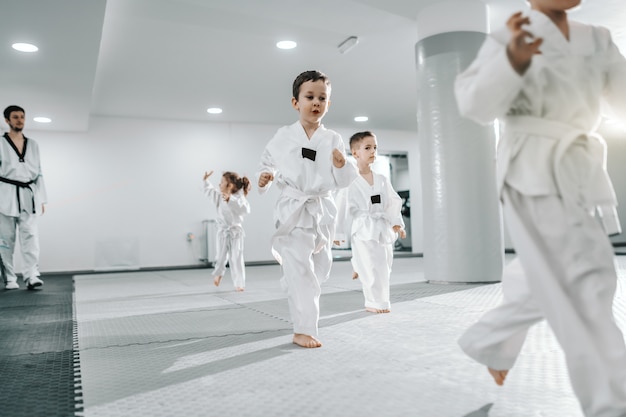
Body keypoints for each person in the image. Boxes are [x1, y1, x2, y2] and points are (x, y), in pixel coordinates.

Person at [454, 1, 626, 415]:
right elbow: (474, 105)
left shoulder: (598, 38)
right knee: (587, 283)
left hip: (578, 169)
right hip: (531, 167)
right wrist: (512, 59)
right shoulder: (509, 34)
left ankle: (490, 341)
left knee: (545, 273)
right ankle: (611, 404)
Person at [257, 70, 357, 348]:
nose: (316, 103)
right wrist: (265, 175)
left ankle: (294, 283)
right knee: (302, 271)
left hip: (321, 209)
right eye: (309, 97)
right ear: (295, 102)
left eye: (322, 98)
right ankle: (304, 328)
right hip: (294, 208)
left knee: (320, 269)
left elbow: (345, 179)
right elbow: (268, 161)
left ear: (329, 104)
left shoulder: (333, 138)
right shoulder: (284, 136)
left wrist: (341, 165)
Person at [335, 131, 405, 314]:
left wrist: (396, 223)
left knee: (384, 266)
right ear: (355, 152)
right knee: (372, 268)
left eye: (375, 147)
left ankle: (358, 265)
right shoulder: (349, 181)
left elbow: (393, 202)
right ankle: (374, 302)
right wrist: (337, 235)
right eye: (368, 148)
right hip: (364, 229)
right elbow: (340, 207)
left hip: (382, 228)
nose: (373, 151)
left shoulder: (382, 180)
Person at [0, 105, 47, 290]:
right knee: (5, 240)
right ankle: (10, 278)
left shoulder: (33, 144)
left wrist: (41, 198)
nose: (20, 120)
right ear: (7, 120)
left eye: (22, 117)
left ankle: (32, 275)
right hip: (5, 194)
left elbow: (39, 173)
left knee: (31, 238)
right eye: (15, 117)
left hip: (29, 195)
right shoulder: (1, 143)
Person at [203, 170, 251, 292]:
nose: (219, 185)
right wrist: (206, 181)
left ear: (230, 185)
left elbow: (244, 210)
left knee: (237, 258)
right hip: (223, 232)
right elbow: (209, 191)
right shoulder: (219, 196)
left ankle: (239, 283)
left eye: (221, 182)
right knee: (220, 256)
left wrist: (230, 200)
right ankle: (218, 273)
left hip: (236, 233)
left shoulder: (239, 198)